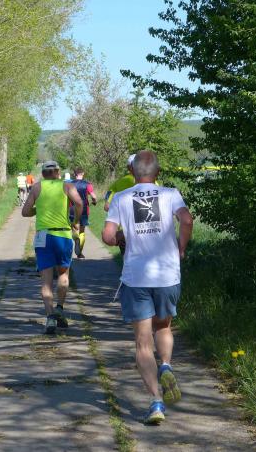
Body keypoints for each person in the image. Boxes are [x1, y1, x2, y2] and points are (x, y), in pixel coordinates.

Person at [102, 150, 193, 425]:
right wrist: (181, 247)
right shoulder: (170, 194)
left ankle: (156, 402)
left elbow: (107, 236)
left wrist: (120, 237)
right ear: (158, 172)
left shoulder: (121, 198)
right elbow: (187, 220)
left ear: (132, 172)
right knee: (163, 327)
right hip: (167, 275)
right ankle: (165, 365)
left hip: (136, 277)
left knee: (143, 342)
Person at [22, 160, 84, 334]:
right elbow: (79, 203)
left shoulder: (37, 188)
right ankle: (60, 308)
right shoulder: (67, 186)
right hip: (63, 235)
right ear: (58, 172)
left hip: (43, 237)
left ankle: (50, 318)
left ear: (43, 174)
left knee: (46, 280)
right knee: (63, 274)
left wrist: (37, 209)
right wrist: (75, 220)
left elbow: (25, 212)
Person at [103, 154, 137, 256]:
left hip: (125, 232)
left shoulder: (118, 183)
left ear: (128, 167)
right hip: (150, 230)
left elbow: (107, 207)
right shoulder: (153, 183)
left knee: (128, 260)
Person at [69, 167, 97, 259]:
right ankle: (79, 253)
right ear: (83, 173)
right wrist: (94, 201)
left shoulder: (69, 184)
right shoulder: (87, 184)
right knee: (82, 230)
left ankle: (75, 238)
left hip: (72, 209)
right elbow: (93, 196)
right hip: (84, 210)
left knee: (73, 228)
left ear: (75, 174)